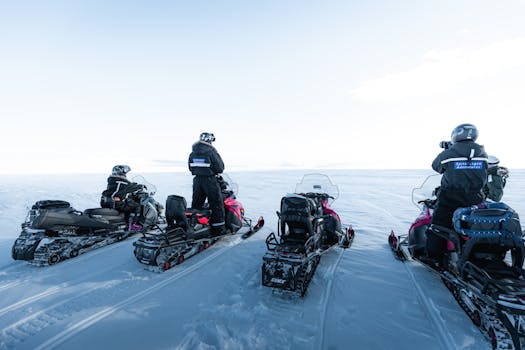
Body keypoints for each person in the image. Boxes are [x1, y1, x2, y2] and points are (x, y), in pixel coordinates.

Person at [425, 123, 488, 267]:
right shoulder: (483, 153)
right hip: (475, 198)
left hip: (451, 198)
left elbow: (436, 166)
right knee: (470, 226)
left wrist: (450, 150)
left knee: (437, 227)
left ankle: (433, 257)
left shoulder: (449, 153)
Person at [188, 132, 226, 236]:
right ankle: (219, 229)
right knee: (216, 204)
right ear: (209, 141)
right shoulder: (211, 152)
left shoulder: (193, 153)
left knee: (196, 204)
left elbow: (191, 168)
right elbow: (220, 168)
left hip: (197, 181)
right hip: (210, 180)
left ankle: (195, 226)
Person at [100, 165, 142, 230]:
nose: (125, 174)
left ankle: (124, 221)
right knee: (136, 206)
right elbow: (129, 187)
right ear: (121, 172)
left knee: (128, 202)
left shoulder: (112, 179)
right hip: (115, 203)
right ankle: (133, 225)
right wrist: (140, 186)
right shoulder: (120, 180)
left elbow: (123, 188)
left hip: (106, 201)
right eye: (125, 172)